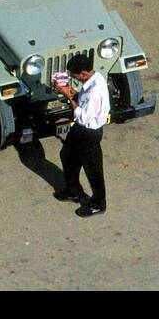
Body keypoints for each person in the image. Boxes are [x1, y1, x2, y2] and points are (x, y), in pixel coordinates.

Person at [53, 53, 109, 217]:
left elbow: (83, 117)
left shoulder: (94, 91)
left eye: (74, 76)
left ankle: (99, 203)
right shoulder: (94, 79)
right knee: (67, 155)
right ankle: (73, 190)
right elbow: (83, 100)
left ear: (84, 73)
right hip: (80, 131)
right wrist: (73, 92)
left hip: (89, 133)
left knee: (93, 169)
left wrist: (68, 95)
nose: (73, 78)